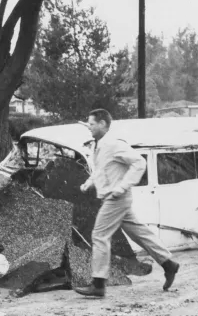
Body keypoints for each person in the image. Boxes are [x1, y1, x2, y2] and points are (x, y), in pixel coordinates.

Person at [76, 108, 180, 298]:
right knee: (139, 233)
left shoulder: (114, 144)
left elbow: (139, 162)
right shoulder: (100, 145)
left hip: (116, 199)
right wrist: (88, 183)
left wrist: (122, 187)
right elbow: (101, 169)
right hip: (116, 198)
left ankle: (98, 283)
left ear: (102, 124)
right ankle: (169, 264)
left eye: (91, 124)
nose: (89, 127)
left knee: (99, 235)